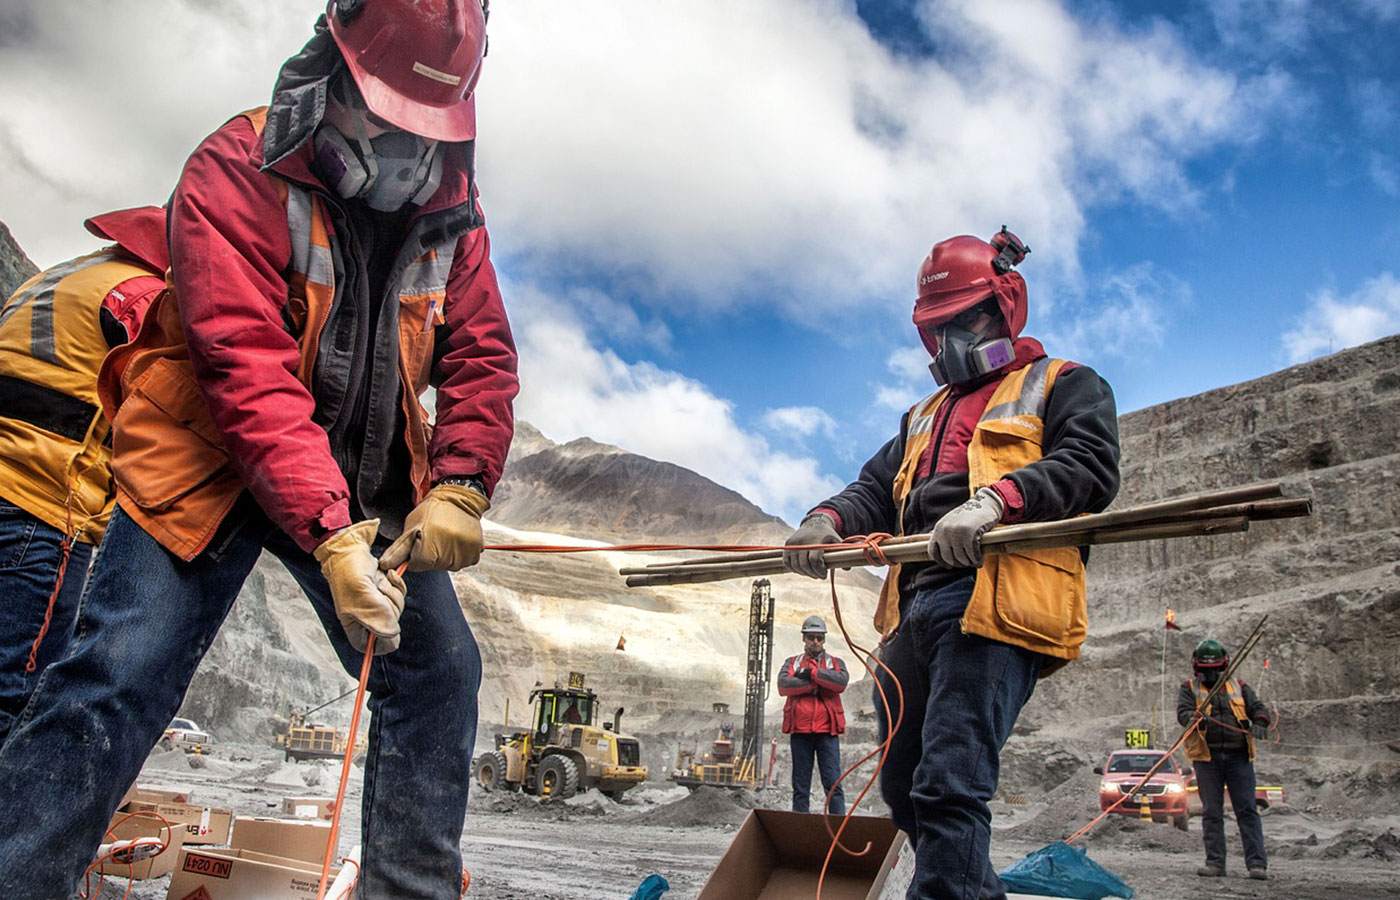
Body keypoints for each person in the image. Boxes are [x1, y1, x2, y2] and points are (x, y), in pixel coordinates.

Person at [0, 1, 517, 896]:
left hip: (364, 470)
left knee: (440, 672)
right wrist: (327, 530)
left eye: (425, 129)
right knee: (118, 671)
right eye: (387, 118)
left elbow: (480, 352)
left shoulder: (453, 206)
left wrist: (461, 484)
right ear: (332, 76)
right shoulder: (235, 166)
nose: (404, 150)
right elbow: (243, 365)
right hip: (208, 455)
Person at [783, 228, 1120, 900]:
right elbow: (875, 489)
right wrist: (828, 518)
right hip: (917, 608)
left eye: (963, 321)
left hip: (994, 601)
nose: (949, 343)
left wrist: (1000, 500)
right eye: (937, 329)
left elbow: (1090, 467)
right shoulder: (923, 413)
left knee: (949, 783)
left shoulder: (1063, 384)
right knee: (907, 785)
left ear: (1005, 306)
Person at [0, 206, 165, 744]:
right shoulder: (141, 296)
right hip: (42, 506)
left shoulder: (61, 277)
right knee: (15, 698)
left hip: (12, 486)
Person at [1177, 638, 1272, 880]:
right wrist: (1194, 717)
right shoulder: (1188, 688)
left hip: (1239, 757)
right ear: (1197, 667)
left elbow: (1259, 708)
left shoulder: (1239, 686)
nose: (1210, 675)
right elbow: (1182, 713)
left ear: (1224, 665)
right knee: (1212, 812)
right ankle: (1216, 863)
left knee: (1247, 810)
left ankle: (1257, 865)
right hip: (1207, 758)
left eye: (1214, 670)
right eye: (1206, 670)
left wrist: (1261, 720)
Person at [776, 615, 849, 815]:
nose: (815, 642)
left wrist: (813, 675)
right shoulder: (791, 662)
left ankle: (838, 831)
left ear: (824, 639)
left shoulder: (836, 662)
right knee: (800, 787)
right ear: (804, 638)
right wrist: (816, 686)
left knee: (833, 784)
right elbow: (783, 685)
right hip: (800, 731)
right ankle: (800, 830)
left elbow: (841, 682)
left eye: (819, 637)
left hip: (827, 732)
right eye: (811, 637)